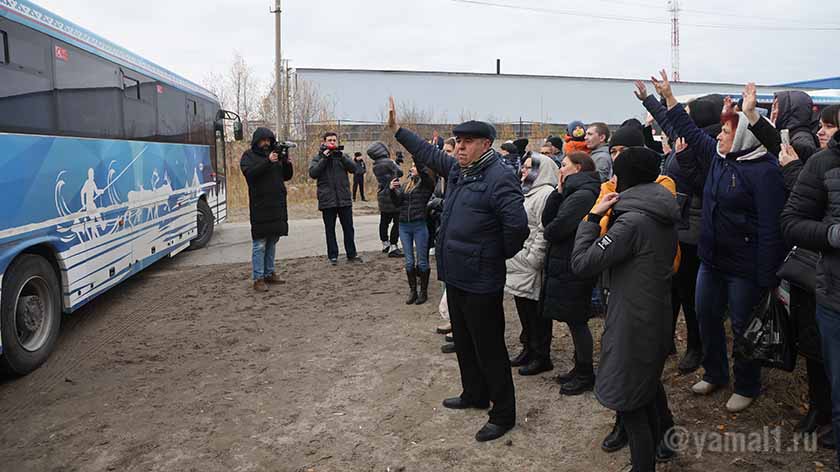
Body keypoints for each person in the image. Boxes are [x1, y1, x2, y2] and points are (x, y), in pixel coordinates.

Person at [388, 97, 529, 442]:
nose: (459, 147)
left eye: (466, 142)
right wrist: (399, 131)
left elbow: (518, 228)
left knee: (489, 347)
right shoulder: (458, 170)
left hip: (482, 278)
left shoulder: (499, 177)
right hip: (456, 275)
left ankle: (503, 413)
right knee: (464, 341)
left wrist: (492, 256)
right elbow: (428, 152)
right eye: (458, 142)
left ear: (484, 144)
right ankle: (474, 394)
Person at [652, 70, 786, 413]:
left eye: (726, 131)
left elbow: (772, 228)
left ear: (742, 136)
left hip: (745, 267)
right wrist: (668, 97)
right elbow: (689, 131)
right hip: (712, 260)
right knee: (706, 315)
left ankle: (747, 384)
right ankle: (714, 372)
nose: (719, 137)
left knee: (742, 326)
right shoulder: (719, 158)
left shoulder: (765, 171)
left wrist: (767, 275)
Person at [571, 146, 680, 472]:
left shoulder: (631, 221)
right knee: (645, 387)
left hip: (633, 318)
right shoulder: (660, 208)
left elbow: (582, 262)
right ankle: (666, 442)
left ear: (626, 178)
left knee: (630, 402)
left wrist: (592, 217)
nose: (612, 180)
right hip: (653, 310)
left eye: (617, 174)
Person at [635, 81, 719, 375]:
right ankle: (665, 340)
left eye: (690, 113)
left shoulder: (711, 148)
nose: (684, 116)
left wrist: (683, 159)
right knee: (670, 288)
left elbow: (706, 187)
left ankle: (696, 347)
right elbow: (669, 123)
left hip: (693, 231)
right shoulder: (687, 137)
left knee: (688, 294)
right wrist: (650, 100)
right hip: (675, 225)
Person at [781, 107, 840, 469]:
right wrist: (832, 235)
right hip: (834, 298)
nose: (821, 131)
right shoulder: (822, 163)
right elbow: (792, 222)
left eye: (828, 125)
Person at [541, 152, 601, 395]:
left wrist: (552, 227)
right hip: (566, 261)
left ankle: (586, 373)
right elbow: (548, 220)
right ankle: (580, 367)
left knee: (577, 320)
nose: (560, 169)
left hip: (574, 263)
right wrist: (557, 191)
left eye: (564, 165)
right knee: (573, 319)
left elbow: (555, 229)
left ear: (578, 168)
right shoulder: (570, 192)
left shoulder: (583, 195)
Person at [505, 153, 558, 376]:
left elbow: (543, 231)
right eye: (524, 167)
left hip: (530, 262)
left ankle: (541, 355)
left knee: (536, 313)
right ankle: (528, 348)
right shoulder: (527, 191)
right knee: (523, 308)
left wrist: (532, 258)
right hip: (519, 260)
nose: (524, 171)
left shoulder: (545, 194)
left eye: (529, 167)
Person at [240, 127, 294, 291]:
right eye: (263, 140)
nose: (266, 143)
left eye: (268, 140)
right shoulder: (249, 156)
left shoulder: (275, 155)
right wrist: (268, 161)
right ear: (256, 141)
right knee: (260, 244)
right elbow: (250, 174)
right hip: (260, 205)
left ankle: (269, 273)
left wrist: (285, 161)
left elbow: (287, 176)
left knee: (272, 241)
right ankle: (258, 278)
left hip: (276, 205)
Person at [309, 132, 362, 266]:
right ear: (324, 142)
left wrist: (342, 157)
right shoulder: (318, 157)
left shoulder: (342, 156)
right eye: (329, 140)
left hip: (343, 198)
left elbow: (355, 169)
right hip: (327, 200)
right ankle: (333, 256)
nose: (332, 142)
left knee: (349, 228)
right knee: (330, 229)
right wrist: (325, 159)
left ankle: (352, 254)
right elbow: (313, 173)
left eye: (334, 140)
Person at [390, 162, 436, 305]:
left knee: (422, 261)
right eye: (411, 166)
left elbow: (425, 176)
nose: (411, 168)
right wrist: (391, 190)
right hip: (404, 226)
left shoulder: (426, 185)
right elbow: (397, 203)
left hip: (419, 225)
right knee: (409, 262)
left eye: (414, 166)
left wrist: (418, 158)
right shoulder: (406, 184)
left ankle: (423, 292)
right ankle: (413, 291)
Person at [369, 142, 404, 258]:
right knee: (397, 222)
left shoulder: (375, 165)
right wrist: (397, 162)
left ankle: (385, 243)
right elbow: (399, 172)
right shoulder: (389, 162)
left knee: (384, 221)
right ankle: (394, 245)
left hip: (382, 194)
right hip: (393, 193)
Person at [772, 91, 820, 162]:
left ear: (789, 110)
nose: (773, 112)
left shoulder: (802, 143)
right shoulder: (791, 134)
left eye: (777, 107)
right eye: (773, 107)